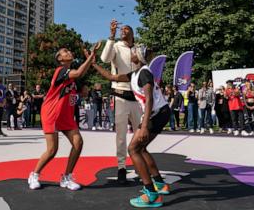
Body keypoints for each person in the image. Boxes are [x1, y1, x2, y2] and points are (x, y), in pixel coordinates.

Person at [93, 45, 169, 208]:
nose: (131, 53)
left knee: (133, 149)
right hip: (159, 113)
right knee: (141, 149)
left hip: (157, 113)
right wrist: (93, 63)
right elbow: (111, 77)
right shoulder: (134, 74)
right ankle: (160, 184)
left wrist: (143, 126)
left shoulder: (144, 73)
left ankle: (151, 194)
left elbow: (149, 100)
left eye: (134, 52)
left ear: (139, 57)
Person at [28, 43, 100, 190]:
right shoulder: (60, 71)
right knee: (52, 150)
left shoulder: (71, 78)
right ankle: (34, 174)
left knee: (78, 143)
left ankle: (66, 177)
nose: (69, 52)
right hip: (52, 113)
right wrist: (91, 56)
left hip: (65, 116)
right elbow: (80, 72)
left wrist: (91, 57)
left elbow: (82, 72)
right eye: (65, 51)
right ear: (60, 58)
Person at [100, 19, 142, 184]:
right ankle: (122, 167)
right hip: (121, 94)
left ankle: (139, 163)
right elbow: (104, 59)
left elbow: (144, 66)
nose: (122, 31)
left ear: (132, 33)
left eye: (126, 29)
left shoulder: (138, 48)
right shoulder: (116, 46)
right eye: (120, 30)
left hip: (137, 96)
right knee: (121, 135)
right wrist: (111, 36)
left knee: (140, 133)